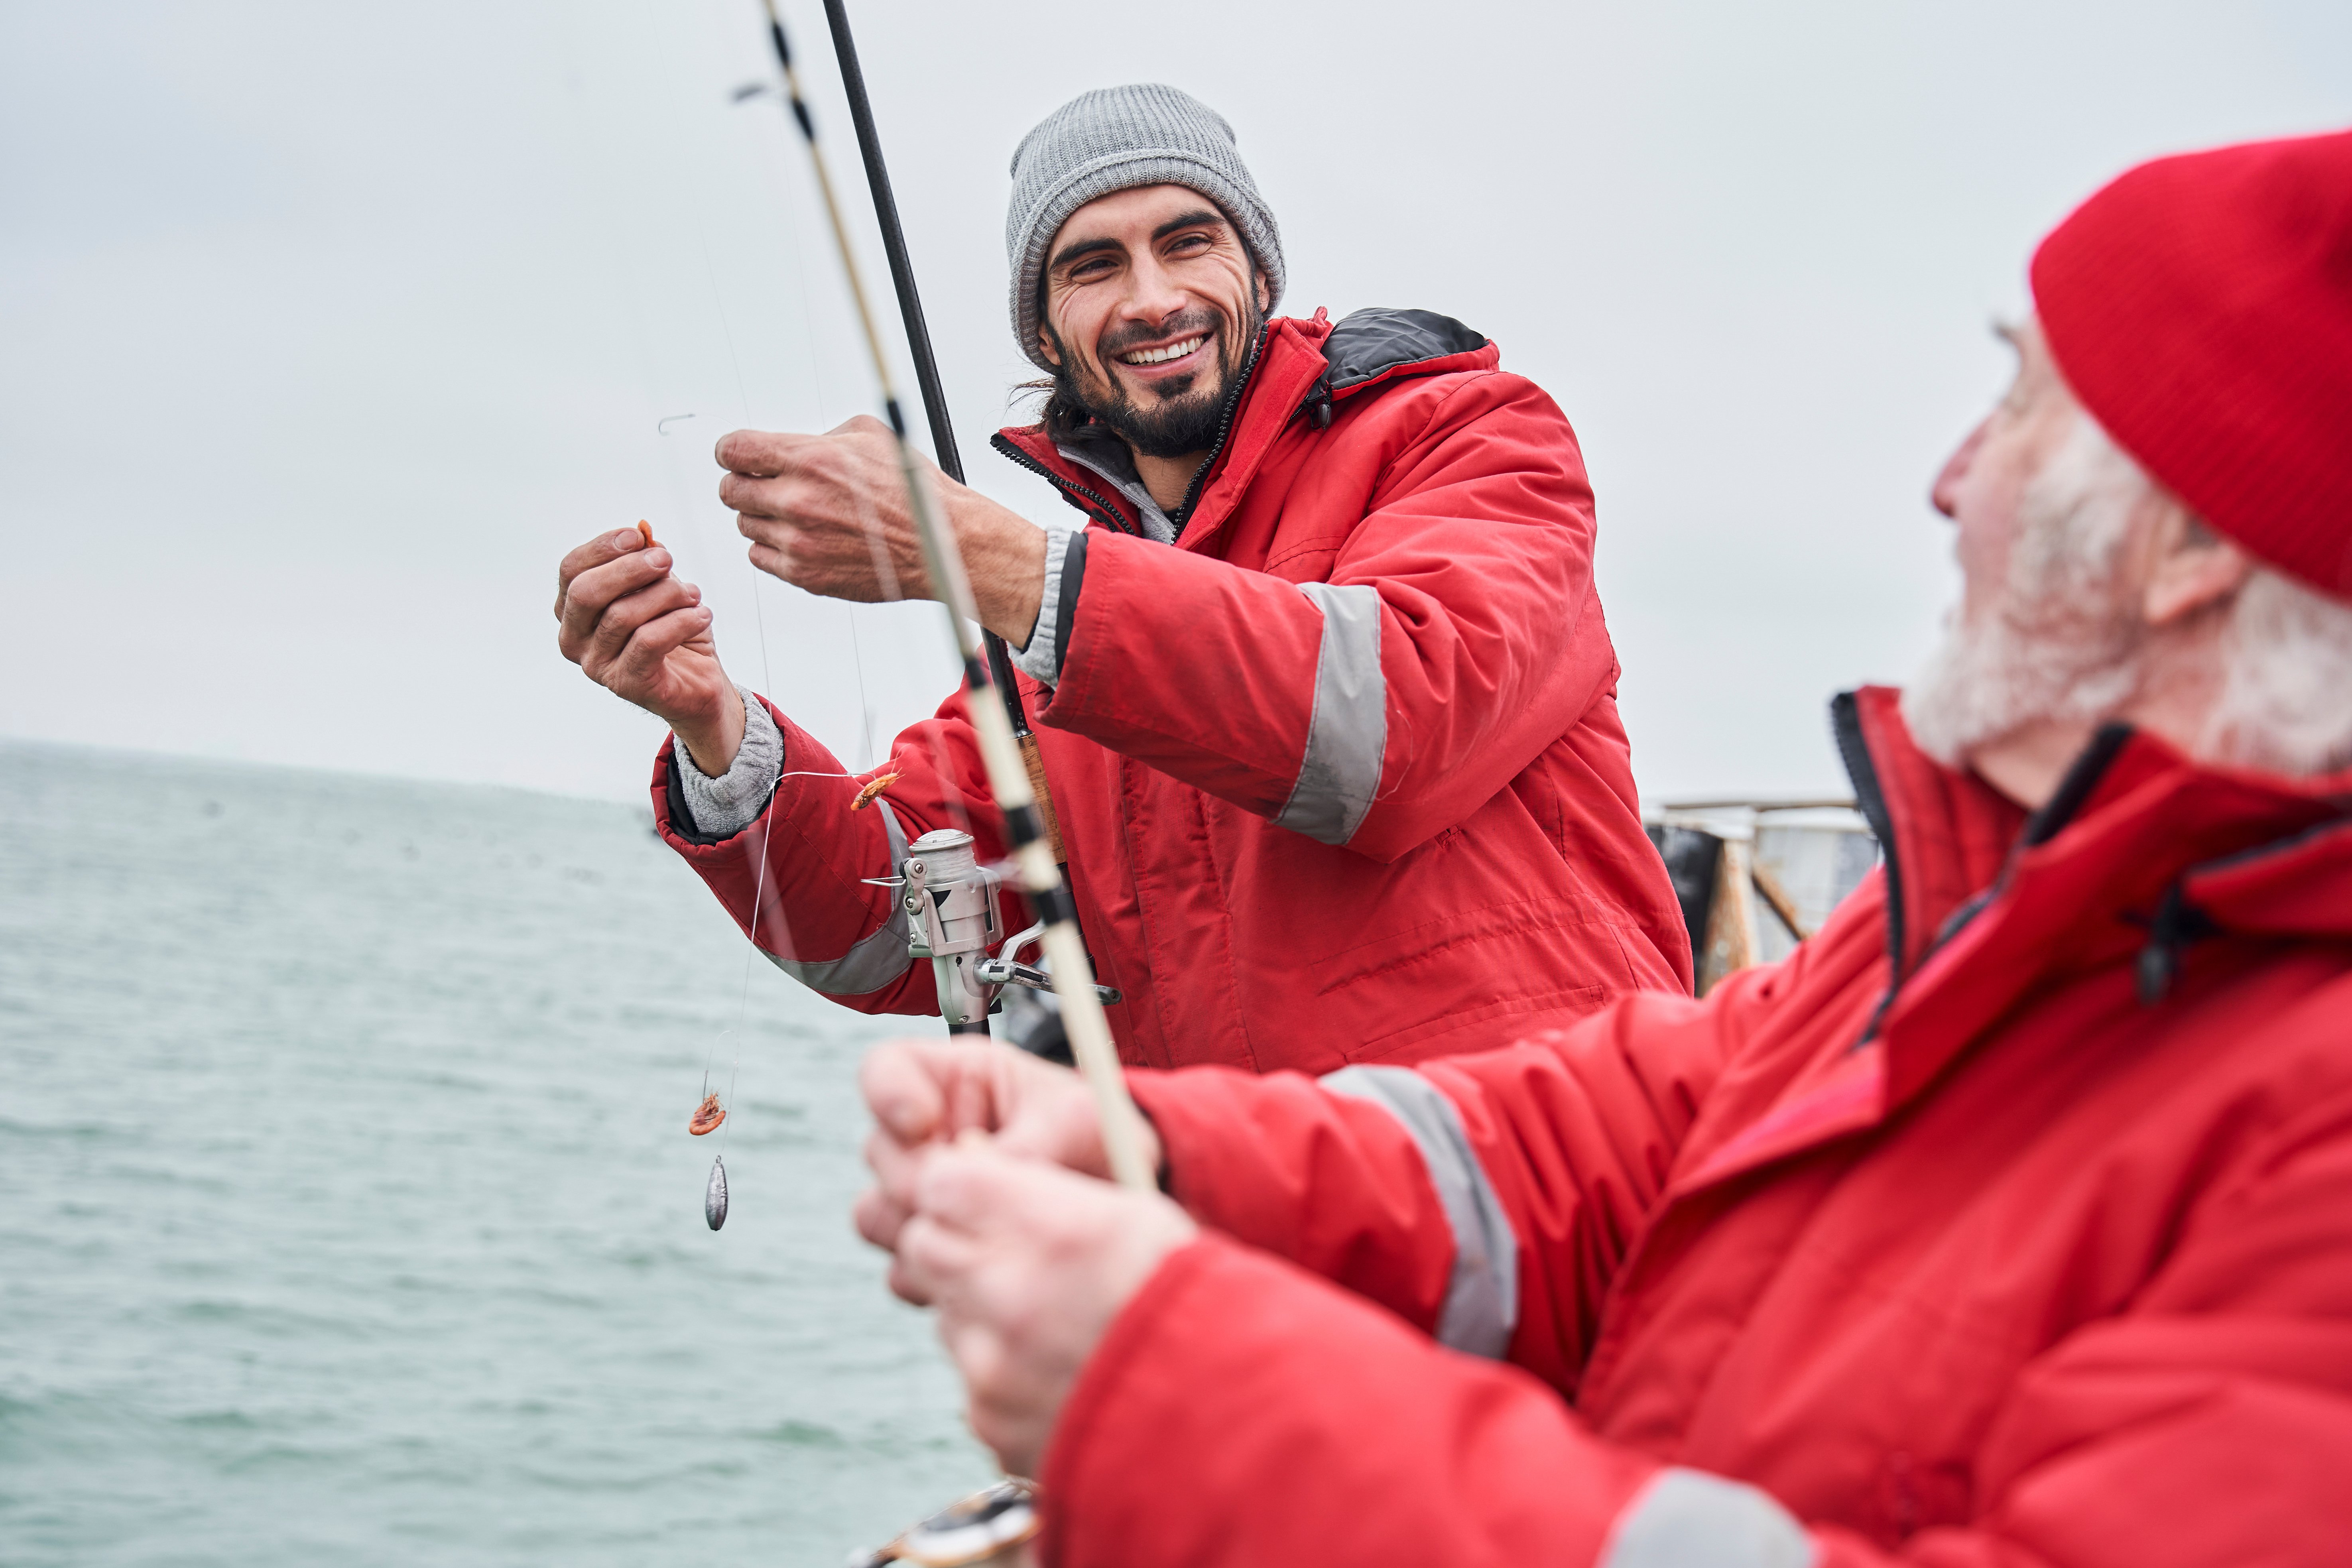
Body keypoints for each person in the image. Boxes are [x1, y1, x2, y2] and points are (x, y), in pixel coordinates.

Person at [854, 129, 2352, 1562]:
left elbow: (1393, 722)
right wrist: (1162, 1160)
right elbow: (1612, 1135)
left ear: (2194, 552)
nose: (1946, 478)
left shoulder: (2307, 1136)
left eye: (2021, 407)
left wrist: (1178, 1379)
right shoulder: (1989, 916)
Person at [553, 85, 1690, 1072]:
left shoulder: (1471, 435)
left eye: (1187, 241)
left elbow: (1394, 727)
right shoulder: (1060, 636)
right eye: (1092, 266)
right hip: (1239, 1258)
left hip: (1555, 1204)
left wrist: (988, 560)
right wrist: (715, 732)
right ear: (1045, 335)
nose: (1151, 298)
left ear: (1258, 267)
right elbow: (879, 935)